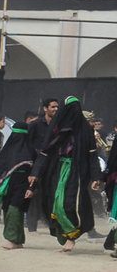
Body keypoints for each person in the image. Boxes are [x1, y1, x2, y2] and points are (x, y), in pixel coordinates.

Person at [27, 96, 103, 252]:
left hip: (77, 172)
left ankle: (71, 238)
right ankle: (66, 236)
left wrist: (96, 177)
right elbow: (45, 152)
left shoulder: (86, 130)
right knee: (56, 204)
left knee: (68, 205)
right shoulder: (56, 129)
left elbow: (92, 155)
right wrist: (35, 173)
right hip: (56, 170)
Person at [0, 121, 37, 250]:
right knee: (7, 209)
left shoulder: (31, 150)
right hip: (9, 183)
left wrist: (31, 188)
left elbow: (36, 172)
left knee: (15, 210)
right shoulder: (8, 149)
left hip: (24, 184)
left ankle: (12, 239)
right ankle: (18, 240)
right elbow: (0, 164)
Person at [26, 97, 59, 233]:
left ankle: (52, 226)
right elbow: (28, 144)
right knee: (35, 195)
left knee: (52, 194)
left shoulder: (59, 125)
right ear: (45, 108)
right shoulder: (36, 125)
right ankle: (32, 227)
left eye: (57, 107)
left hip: (54, 165)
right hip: (37, 165)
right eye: (53, 107)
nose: (56, 109)